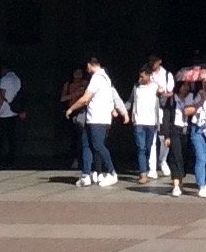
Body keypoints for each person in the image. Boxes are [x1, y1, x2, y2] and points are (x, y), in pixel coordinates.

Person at [70, 57, 124, 187]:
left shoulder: (97, 78)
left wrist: (71, 108)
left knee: (98, 145)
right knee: (86, 144)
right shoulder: (106, 78)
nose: (86, 69)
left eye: (87, 67)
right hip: (94, 118)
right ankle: (86, 174)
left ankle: (112, 172)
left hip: (97, 118)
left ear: (90, 65)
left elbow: (85, 98)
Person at [130, 57, 164, 193]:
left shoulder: (155, 87)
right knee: (141, 148)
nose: (141, 78)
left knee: (148, 147)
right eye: (140, 76)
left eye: (143, 76)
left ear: (149, 75)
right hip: (139, 121)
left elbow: (163, 100)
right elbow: (131, 101)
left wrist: (162, 94)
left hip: (151, 122)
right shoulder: (136, 87)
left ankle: (147, 169)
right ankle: (143, 173)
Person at [0, 62, 22, 166]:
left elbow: (1, 96)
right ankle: (11, 160)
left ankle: (0, 161)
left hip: (4, 112)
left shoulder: (5, 79)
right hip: (14, 111)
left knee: (0, 138)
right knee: (11, 137)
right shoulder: (17, 78)